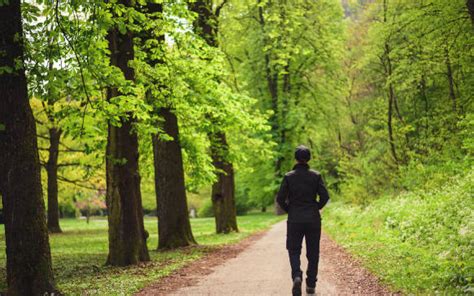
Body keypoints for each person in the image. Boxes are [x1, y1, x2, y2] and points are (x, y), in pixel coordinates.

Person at [276, 145, 330, 296]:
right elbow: (325, 197)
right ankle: (311, 285)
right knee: (313, 252)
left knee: (294, 250)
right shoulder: (316, 176)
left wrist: (290, 210)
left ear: (296, 158)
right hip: (313, 219)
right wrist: (316, 207)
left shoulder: (288, 176)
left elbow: (280, 199)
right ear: (308, 159)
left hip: (295, 219)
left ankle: (297, 276)